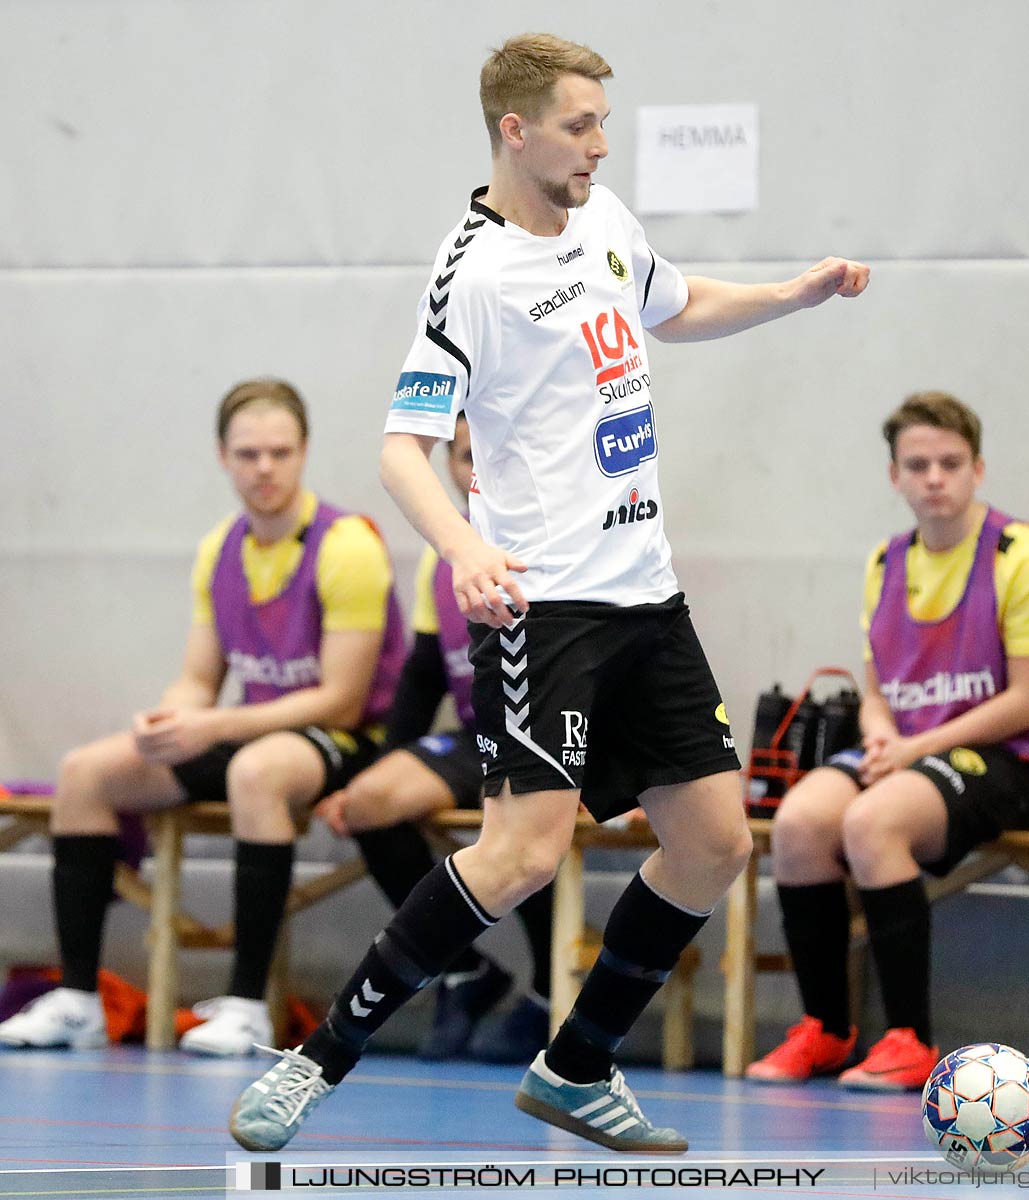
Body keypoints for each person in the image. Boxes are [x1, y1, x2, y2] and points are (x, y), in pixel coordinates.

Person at [231, 32, 868, 1154]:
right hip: (548, 607)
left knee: (716, 842)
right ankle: (314, 1060)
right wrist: (463, 551)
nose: (599, 143)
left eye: (603, 123)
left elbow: (674, 306)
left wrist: (793, 293)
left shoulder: (606, 218)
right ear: (514, 132)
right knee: (524, 853)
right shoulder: (471, 273)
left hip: (646, 597)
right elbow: (400, 450)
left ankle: (575, 1068)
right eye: (581, 124)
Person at [0, 379, 403, 1057]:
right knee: (87, 772)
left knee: (255, 772)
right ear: (222, 456)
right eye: (249, 453)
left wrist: (211, 726)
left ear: (304, 453)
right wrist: (168, 720)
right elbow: (198, 679)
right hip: (253, 730)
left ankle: (247, 1006)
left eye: (279, 451)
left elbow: (341, 698)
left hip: (345, 739)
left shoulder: (347, 547)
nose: (264, 468)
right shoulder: (223, 549)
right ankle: (77, 998)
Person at [744, 391, 1029, 1091]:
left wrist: (913, 751)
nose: (934, 477)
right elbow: (876, 690)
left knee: (871, 821)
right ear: (893, 475)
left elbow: (1028, 701)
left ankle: (909, 1039)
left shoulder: (1021, 555)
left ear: (977, 469)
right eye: (917, 464)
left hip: (1007, 762)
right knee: (800, 820)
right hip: (911, 753)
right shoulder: (884, 561)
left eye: (950, 463)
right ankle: (826, 1029)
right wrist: (879, 734)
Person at [312, 414, 556, 1063]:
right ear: (448, 464)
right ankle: (463, 970)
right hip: (480, 736)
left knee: (531, 821)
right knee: (367, 802)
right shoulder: (444, 557)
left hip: (558, 739)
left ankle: (552, 993)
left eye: (494, 453)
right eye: (466, 456)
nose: (478, 470)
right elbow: (422, 678)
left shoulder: (561, 542)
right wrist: (376, 772)